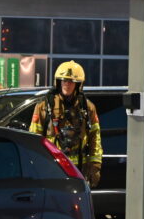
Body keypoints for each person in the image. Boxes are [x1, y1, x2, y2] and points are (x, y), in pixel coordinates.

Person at [29, 60, 102, 188]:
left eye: (71, 81)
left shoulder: (87, 107)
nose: (67, 84)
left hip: (79, 171)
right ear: (58, 82)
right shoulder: (44, 106)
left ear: (78, 84)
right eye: (64, 80)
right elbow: (34, 139)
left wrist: (95, 166)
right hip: (52, 169)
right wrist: (36, 165)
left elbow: (95, 137)